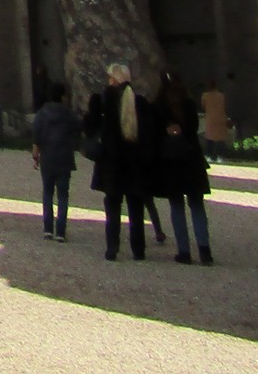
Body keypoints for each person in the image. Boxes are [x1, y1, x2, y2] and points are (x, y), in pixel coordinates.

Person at [84, 62, 153, 261]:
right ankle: (138, 249)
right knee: (136, 208)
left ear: (113, 80)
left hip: (112, 163)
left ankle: (112, 248)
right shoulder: (139, 102)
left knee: (113, 208)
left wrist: (92, 109)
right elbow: (149, 135)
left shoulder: (103, 101)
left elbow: (89, 128)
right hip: (135, 163)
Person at [153, 71, 215, 264]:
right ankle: (204, 251)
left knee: (177, 207)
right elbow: (193, 129)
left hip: (172, 161)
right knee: (197, 206)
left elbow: (156, 134)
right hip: (191, 159)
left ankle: (184, 252)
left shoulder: (159, 106)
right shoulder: (188, 104)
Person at [30, 81, 77, 241]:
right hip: (64, 157)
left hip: (48, 158)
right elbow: (77, 129)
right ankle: (61, 231)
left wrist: (36, 154)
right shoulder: (68, 114)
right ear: (63, 96)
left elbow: (36, 134)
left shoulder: (42, 113)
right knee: (63, 195)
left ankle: (48, 228)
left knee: (48, 193)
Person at [201, 85, 231, 163]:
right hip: (221, 118)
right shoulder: (222, 96)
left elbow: (203, 107)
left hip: (210, 118)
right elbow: (226, 106)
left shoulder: (205, 96)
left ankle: (209, 156)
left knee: (210, 138)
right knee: (220, 138)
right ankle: (220, 156)